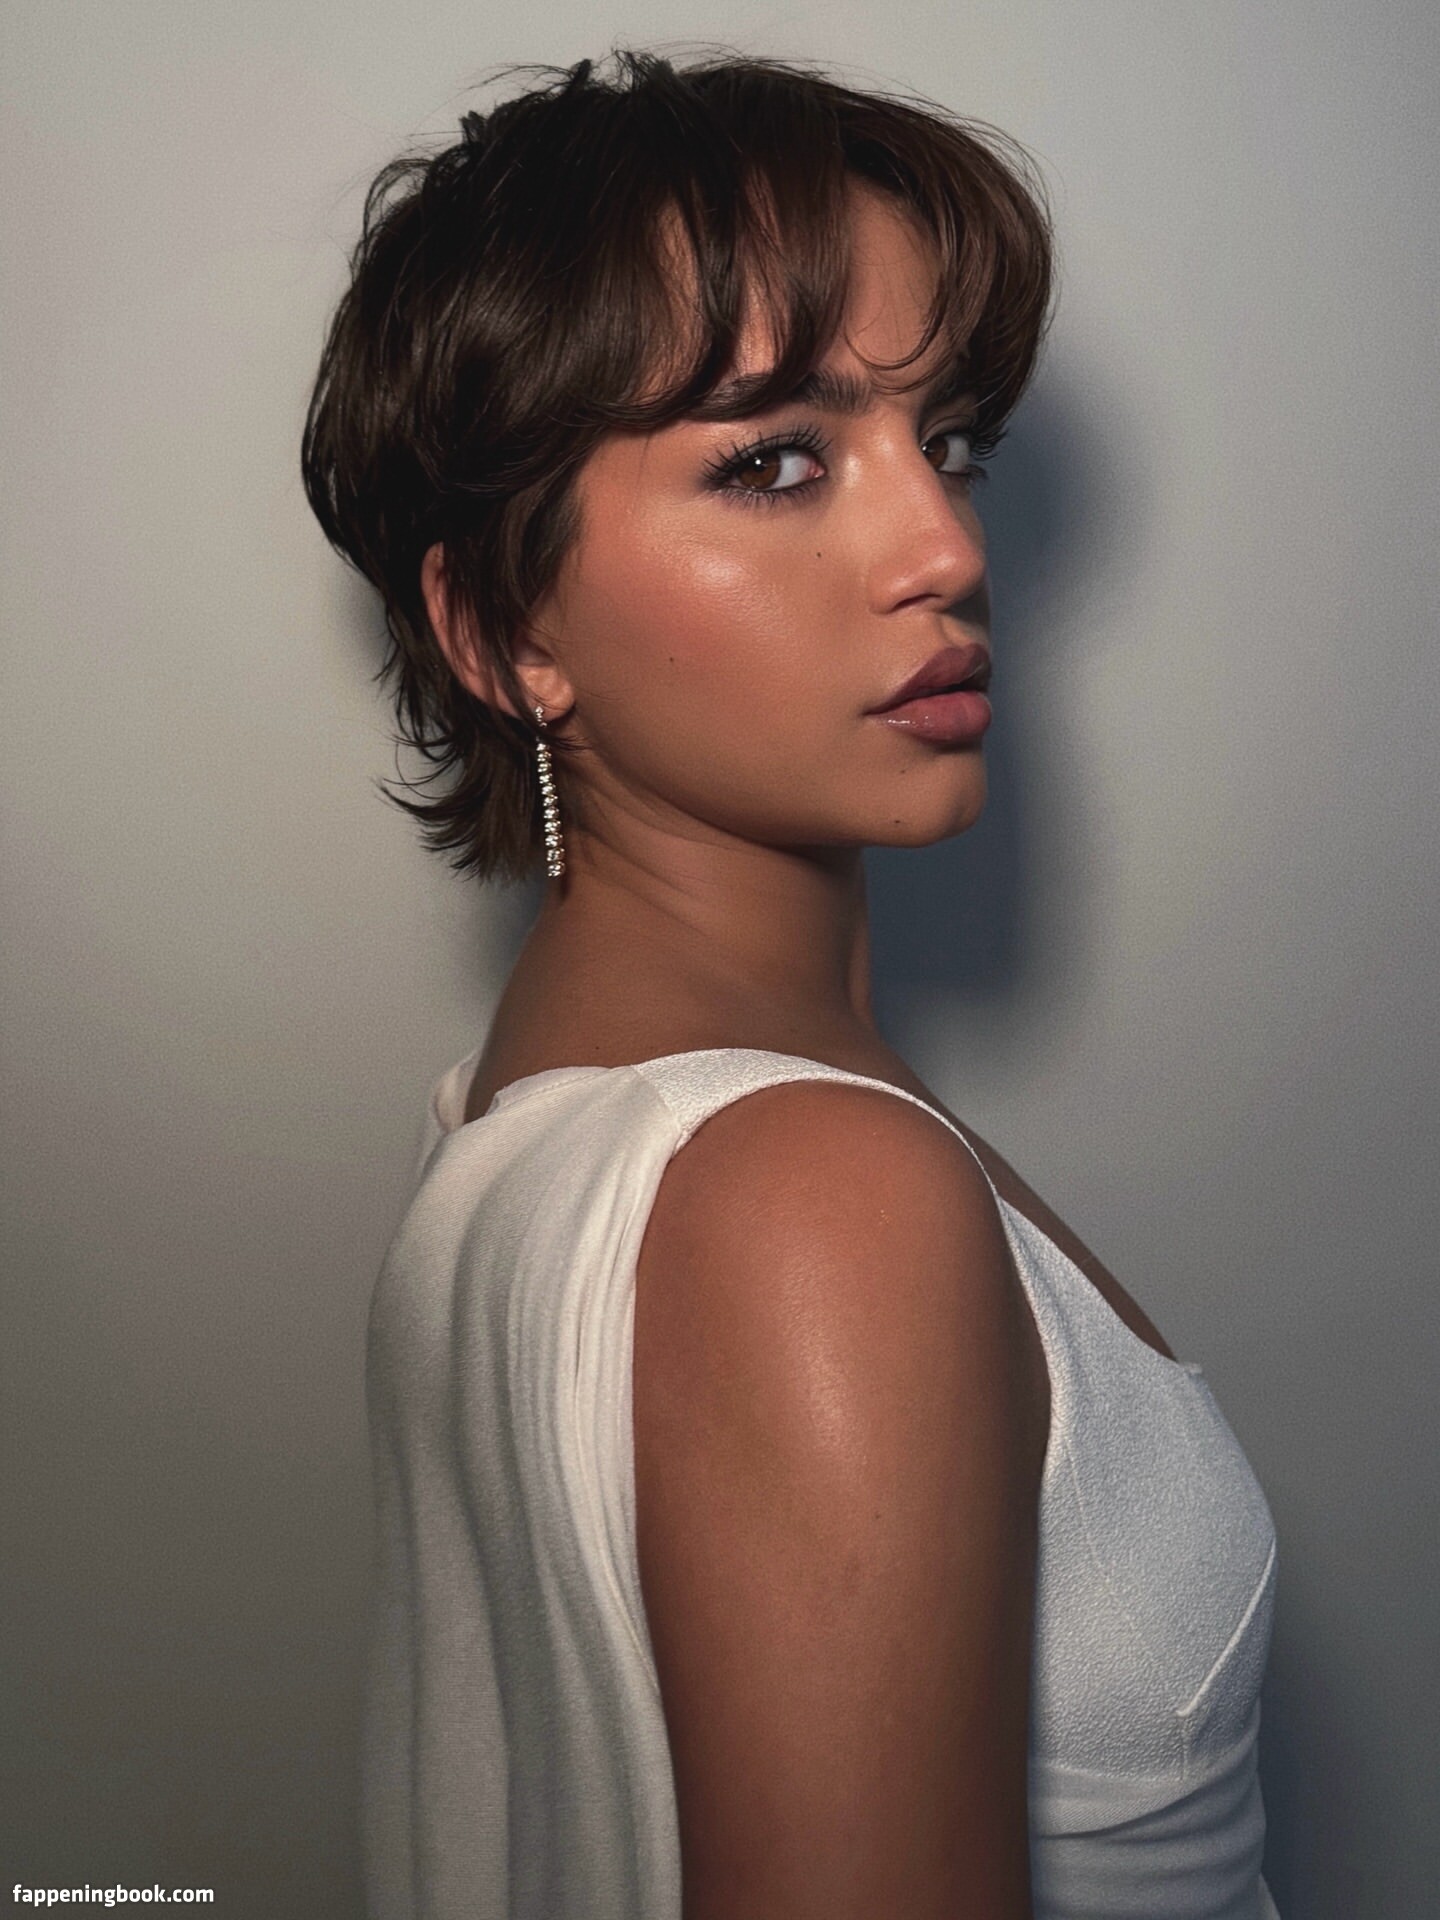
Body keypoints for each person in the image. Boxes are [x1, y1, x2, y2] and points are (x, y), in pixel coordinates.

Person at [301, 46, 1280, 1920]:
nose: (948, 550)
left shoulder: (514, 1124)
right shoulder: (813, 1195)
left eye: (951, 441)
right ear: (500, 629)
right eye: (774, 462)